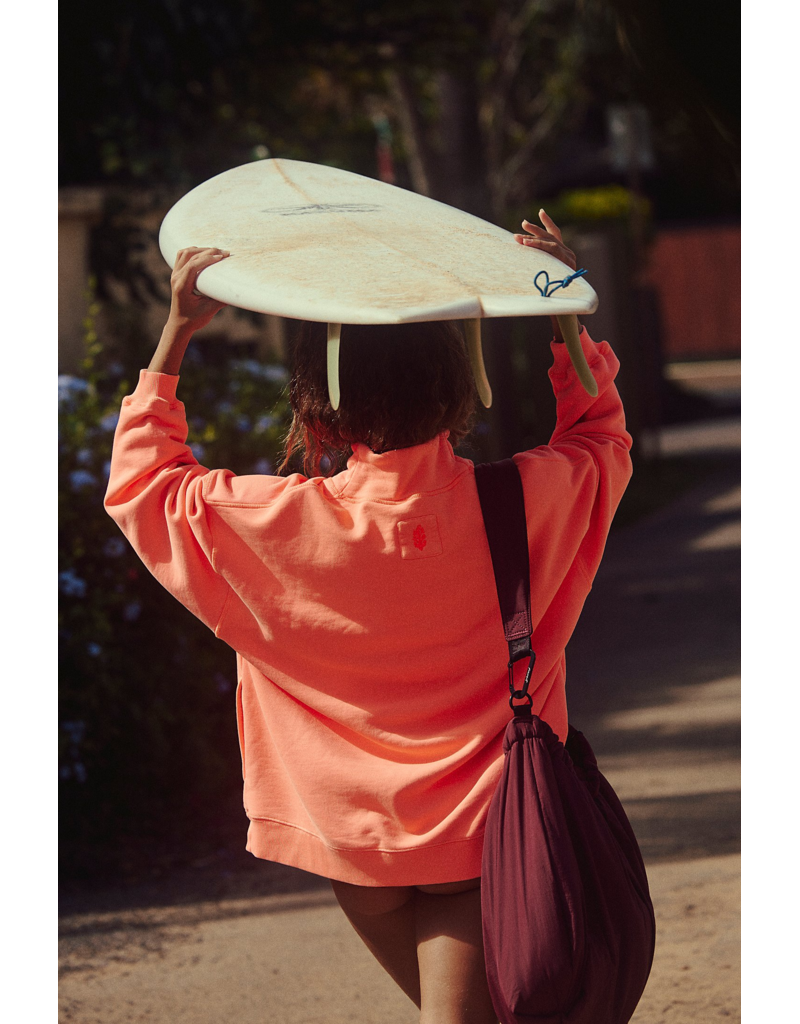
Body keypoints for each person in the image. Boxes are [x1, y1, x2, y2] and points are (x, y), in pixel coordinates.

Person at [104, 212, 632, 1024]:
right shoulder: (522, 501)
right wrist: (561, 308)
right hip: (482, 837)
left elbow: (144, 486)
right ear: (459, 387)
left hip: (351, 846)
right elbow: (600, 432)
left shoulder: (274, 523)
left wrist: (175, 334)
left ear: (322, 402)